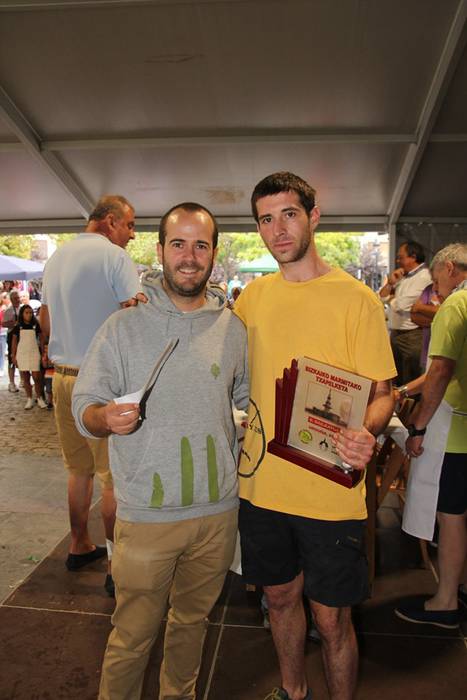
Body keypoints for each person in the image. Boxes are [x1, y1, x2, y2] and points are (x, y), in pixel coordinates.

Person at [72, 202, 249, 700]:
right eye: (179, 244)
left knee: (192, 625)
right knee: (132, 637)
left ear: (214, 253)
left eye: (200, 245)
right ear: (160, 250)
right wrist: (104, 418)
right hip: (147, 516)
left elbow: (245, 401)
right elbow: (84, 405)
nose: (189, 257)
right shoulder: (122, 327)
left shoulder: (233, 329)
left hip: (217, 513)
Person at [234, 172, 395, 700]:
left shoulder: (356, 299)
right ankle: (293, 690)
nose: (277, 230)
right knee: (280, 599)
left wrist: (367, 431)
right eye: (266, 219)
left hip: (329, 489)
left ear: (314, 216)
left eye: (289, 214)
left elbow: (383, 393)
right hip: (262, 487)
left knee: (331, 620)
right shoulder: (251, 299)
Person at [39, 194, 143, 596]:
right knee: (112, 479)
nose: (132, 235)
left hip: (62, 378)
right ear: (110, 221)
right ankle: (116, 566)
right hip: (100, 382)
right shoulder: (114, 257)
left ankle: (79, 543)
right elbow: (133, 317)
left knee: (77, 470)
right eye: (129, 225)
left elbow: (46, 321)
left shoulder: (56, 258)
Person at [395, 242, 467, 629]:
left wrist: (418, 426)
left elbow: (440, 371)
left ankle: (446, 602)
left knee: (451, 514)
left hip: (455, 426)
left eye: (437, 278)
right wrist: (405, 390)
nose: (434, 287)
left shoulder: (456, 305)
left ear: (450, 268)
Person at [379, 241, 432, 385]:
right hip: (396, 334)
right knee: (395, 379)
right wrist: (390, 283)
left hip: (412, 336)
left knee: (410, 380)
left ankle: (410, 401)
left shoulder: (424, 276)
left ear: (413, 257)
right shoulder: (404, 276)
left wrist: (392, 299)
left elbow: (402, 304)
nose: (398, 261)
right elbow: (382, 297)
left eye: (400, 257)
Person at [10, 304, 47, 410]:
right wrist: (13, 355)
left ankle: (39, 398)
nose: (29, 315)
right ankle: (29, 399)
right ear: (22, 314)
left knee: (37, 377)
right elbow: (14, 341)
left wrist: (43, 353)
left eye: (30, 313)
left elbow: (41, 339)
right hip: (22, 353)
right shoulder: (18, 326)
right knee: (26, 377)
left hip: (34, 352)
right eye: (26, 313)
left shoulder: (35, 325)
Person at [2, 289, 21, 392]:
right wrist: (14, 323)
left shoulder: (22, 308)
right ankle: (11, 382)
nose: (17, 300)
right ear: (11, 299)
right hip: (11, 336)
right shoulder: (9, 310)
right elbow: (3, 324)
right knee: (11, 359)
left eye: (18, 298)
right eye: (15, 298)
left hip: (22, 336)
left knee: (22, 358)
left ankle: (23, 380)